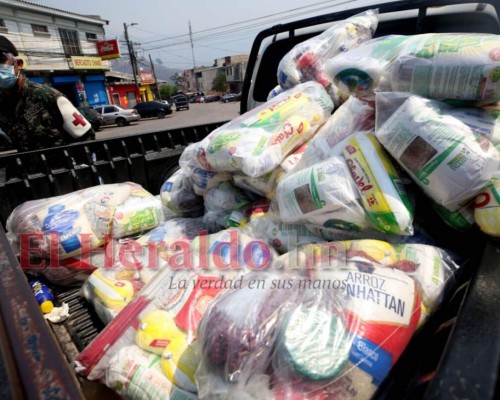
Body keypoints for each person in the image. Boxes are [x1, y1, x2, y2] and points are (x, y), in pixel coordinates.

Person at [0, 35, 95, 152]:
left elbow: (86, 138)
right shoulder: (2, 104)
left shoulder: (47, 96)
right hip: (29, 169)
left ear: (18, 64)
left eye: (0, 60)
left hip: (59, 168)